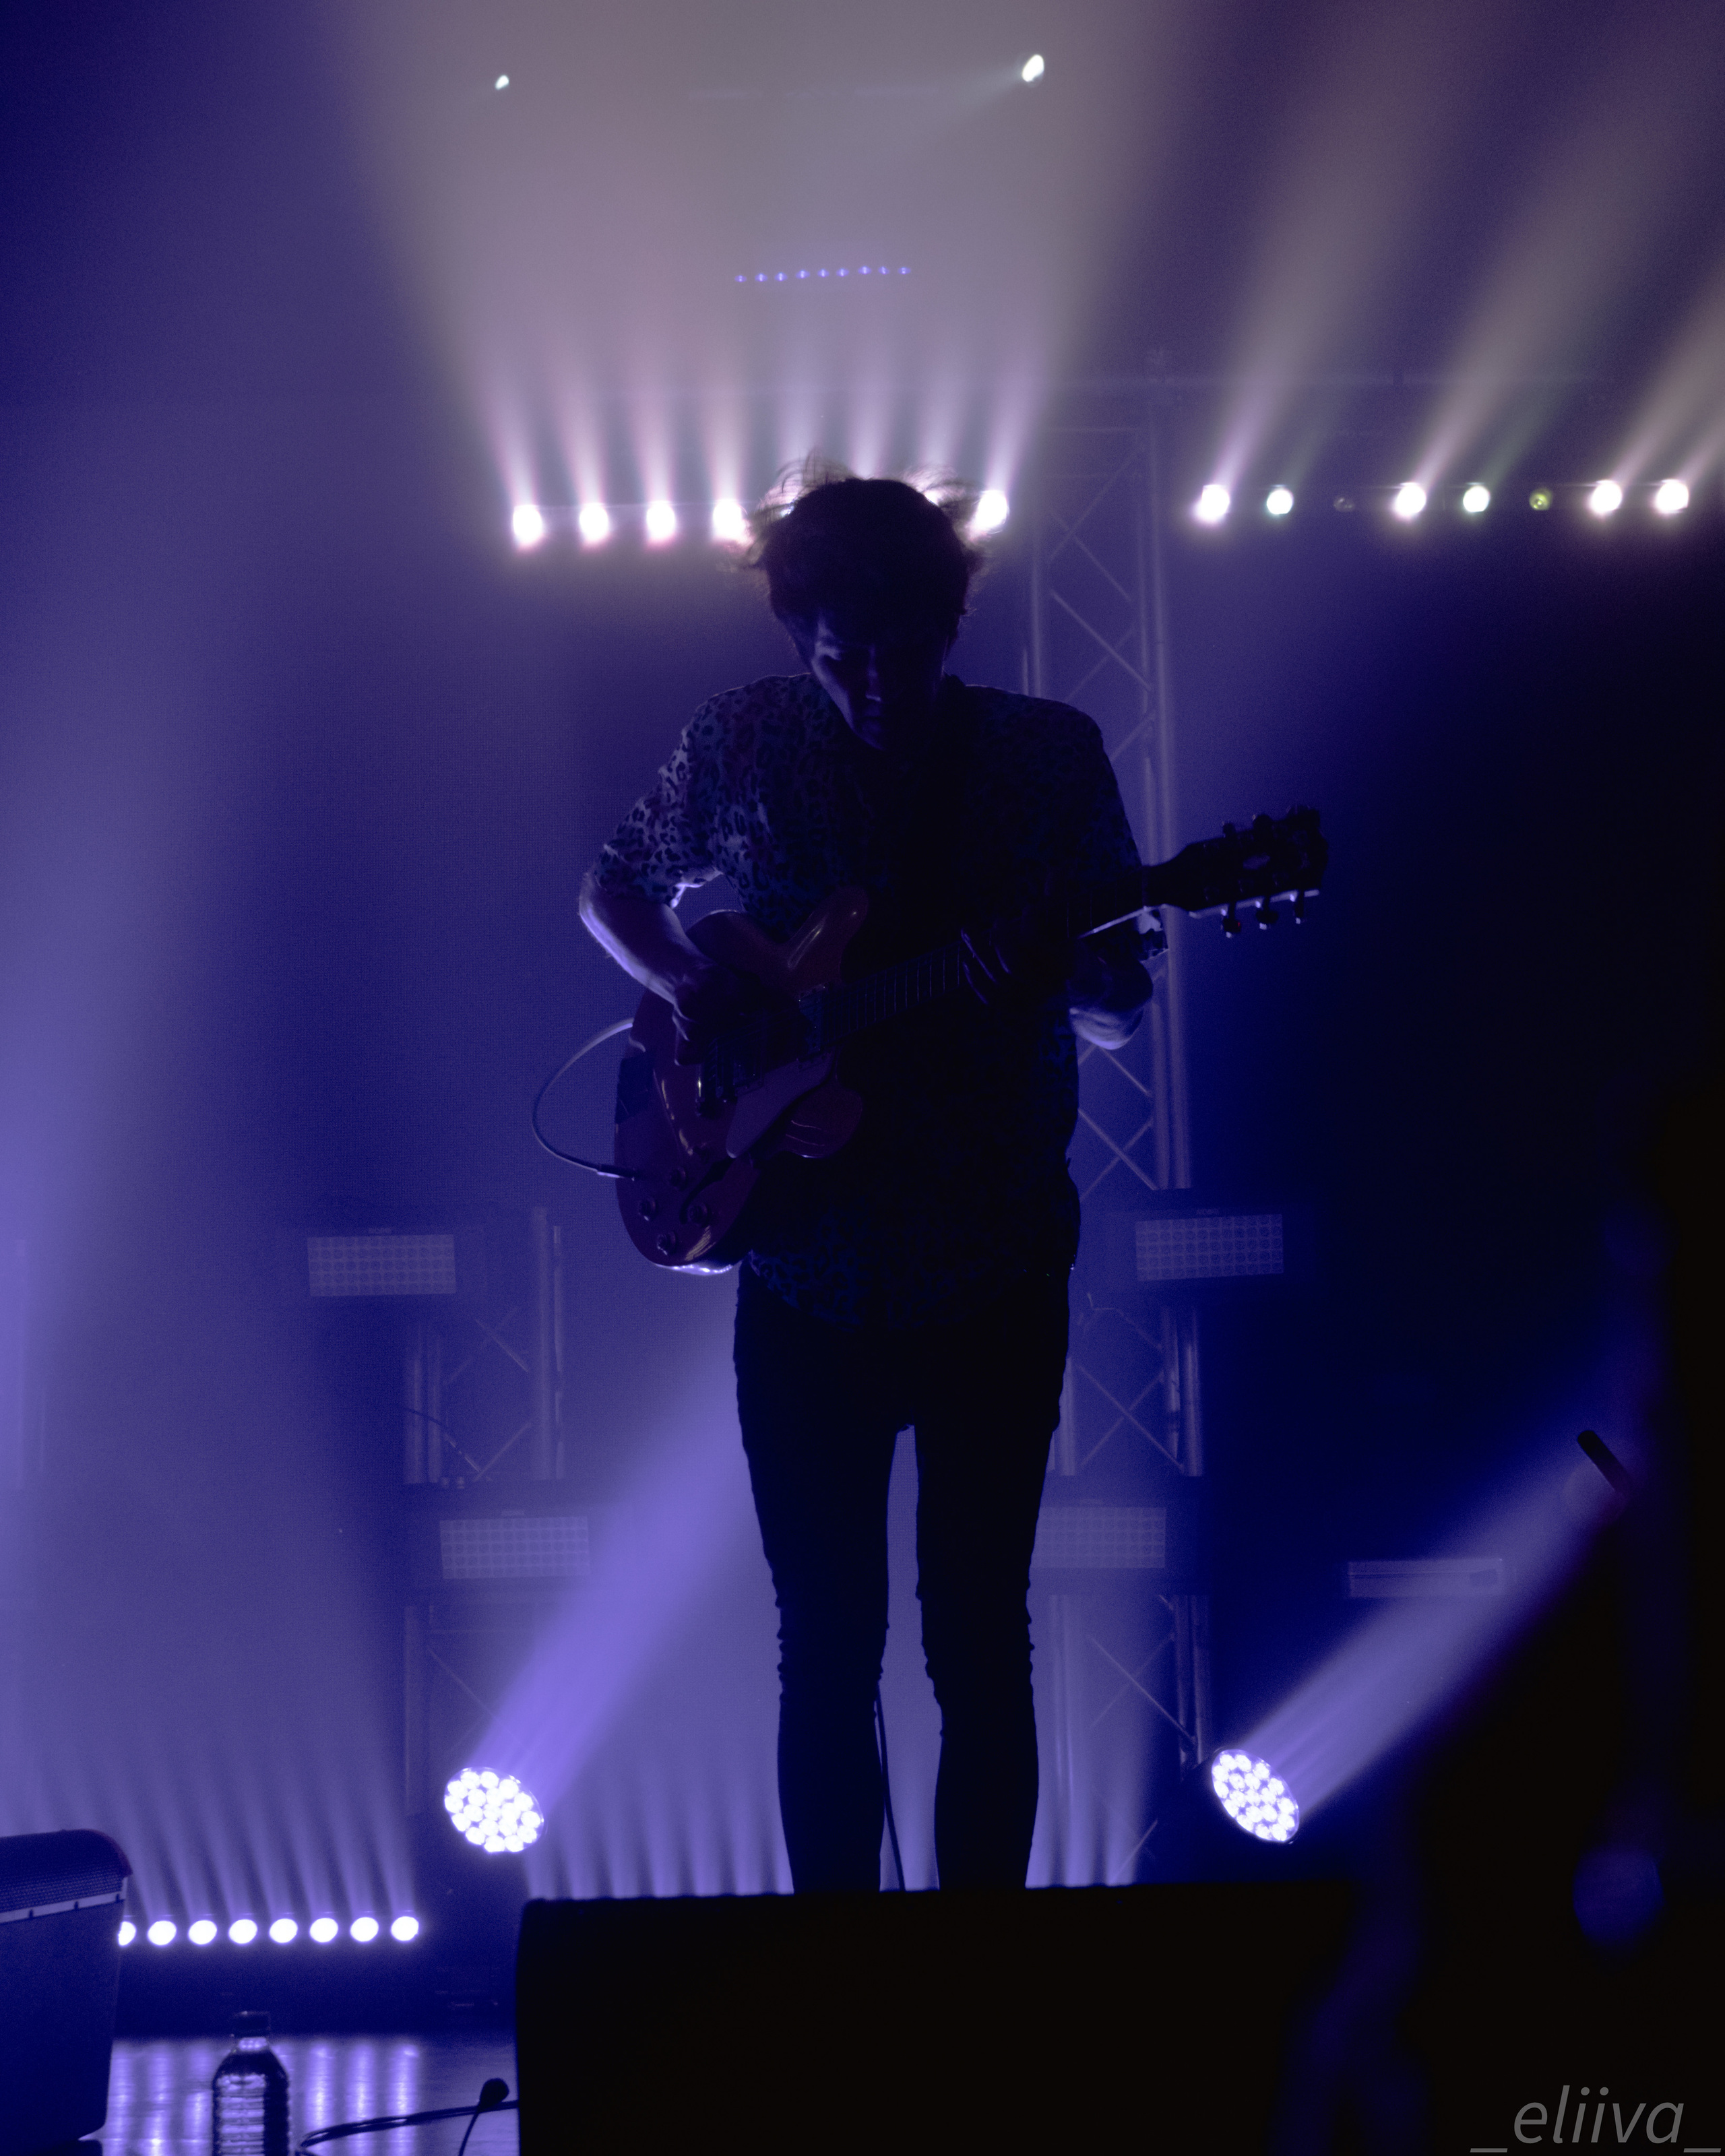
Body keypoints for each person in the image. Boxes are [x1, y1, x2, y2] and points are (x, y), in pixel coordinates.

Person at [579, 468, 1153, 1890]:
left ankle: (977, 1976)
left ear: (954, 620)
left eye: (906, 651)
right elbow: (613, 886)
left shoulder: (1043, 758)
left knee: (979, 1635)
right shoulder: (741, 740)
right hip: (803, 1265)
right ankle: (827, 1972)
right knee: (824, 1646)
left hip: (991, 1255)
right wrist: (695, 993)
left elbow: (1119, 1000)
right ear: (798, 637)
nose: (879, 685)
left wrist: (1063, 972)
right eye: (843, 658)